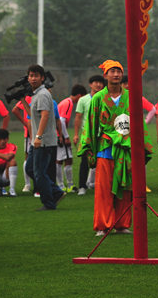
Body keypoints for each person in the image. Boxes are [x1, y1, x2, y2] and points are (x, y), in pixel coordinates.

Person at [80, 60, 151, 235]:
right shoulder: (98, 98)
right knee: (104, 189)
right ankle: (103, 225)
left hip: (126, 148)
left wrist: (142, 146)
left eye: (119, 71)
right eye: (112, 71)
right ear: (105, 75)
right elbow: (91, 124)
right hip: (106, 148)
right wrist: (90, 148)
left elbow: (139, 121)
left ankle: (122, 224)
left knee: (126, 188)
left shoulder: (131, 96)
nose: (116, 74)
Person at [21, 64, 65, 210]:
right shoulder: (35, 95)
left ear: (42, 78)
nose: (33, 78)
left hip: (44, 140)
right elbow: (32, 115)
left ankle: (49, 203)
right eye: (31, 75)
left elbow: (45, 115)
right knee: (30, 169)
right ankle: (56, 192)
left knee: (39, 172)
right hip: (37, 140)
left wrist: (38, 136)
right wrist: (22, 101)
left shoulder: (43, 94)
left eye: (36, 76)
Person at [73, 75, 106, 195]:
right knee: (85, 161)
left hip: (102, 135)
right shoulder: (83, 100)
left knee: (103, 161)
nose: (98, 85)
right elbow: (78, 117)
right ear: (90, 84)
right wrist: (76, 134)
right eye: (95, 82)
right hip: (87, 135)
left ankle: (101, 185)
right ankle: (82, 186)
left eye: (100, 83)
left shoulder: (105, 98)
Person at [56, 85, 86, 192]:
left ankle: (63, 185)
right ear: (79, 96)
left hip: (57, 134)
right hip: (59, 135)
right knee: (66, 160)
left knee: (60, 160)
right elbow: (61, 120)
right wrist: (66, 137)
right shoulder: (68, 103)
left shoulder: (65, 102)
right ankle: (67, 186)